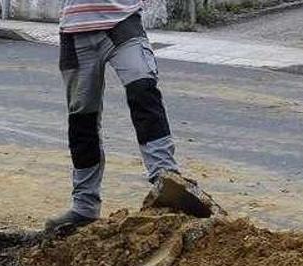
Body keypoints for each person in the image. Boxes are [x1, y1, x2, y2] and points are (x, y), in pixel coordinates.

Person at [45, 0, 220, 232]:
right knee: (82, 118)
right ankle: (84, 207)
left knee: (143, 88)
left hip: (122, 21)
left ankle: (166, 179)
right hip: (75, 28)